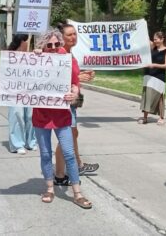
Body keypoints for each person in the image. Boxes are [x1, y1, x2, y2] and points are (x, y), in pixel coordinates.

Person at [32, 29, 92, 209]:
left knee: (69, 154)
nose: (52, 48)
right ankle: (50, 188)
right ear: (43, 45)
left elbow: (76, 84)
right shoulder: (36, 59)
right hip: (41, 115)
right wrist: (33, 57)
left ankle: (77, 193)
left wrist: (74, 93)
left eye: (56, 44)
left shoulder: (67, 59)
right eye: (48, 45)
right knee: (45, 154)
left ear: (60, 44)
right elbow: (23, 77)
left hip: (61, 115)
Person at [53, 23, 99, 186]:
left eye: (74, 34)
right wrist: (79, 78)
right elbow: (57, 79)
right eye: (69, 35)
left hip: (72, 101)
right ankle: (60, 174)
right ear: (62, 38)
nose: (73, 37)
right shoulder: (60, 53)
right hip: (65, 102)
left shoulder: (69, 54)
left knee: (73, 134)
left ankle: (77, 164)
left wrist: (82, 74)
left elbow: (71, 75)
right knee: (67, 136)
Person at [6, 34, 36, 154]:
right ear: (21, 41)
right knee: (17, 115)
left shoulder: (32, 56)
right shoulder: (10, 56)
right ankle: (17, 144)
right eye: (27, 41)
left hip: (29, 91)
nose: (28, 43)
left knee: (30, 116)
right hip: (15, 92)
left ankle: (31, 141)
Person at [138, 32, 166, 125]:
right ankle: (145, 117)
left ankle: (161, 117)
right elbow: (145, 39)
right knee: (147, 96)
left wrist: (154, 65)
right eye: (154, 39)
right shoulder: (153, 47)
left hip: (159, 76)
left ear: (162, 39)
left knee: (160, 97)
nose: (155, 40)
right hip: (148, 74)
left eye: (156, 39)